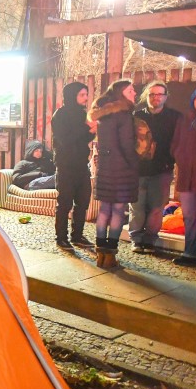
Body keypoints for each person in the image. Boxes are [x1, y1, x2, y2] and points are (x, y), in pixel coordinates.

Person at [87, 79, 138, 269]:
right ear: (121, 93)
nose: (134, 92)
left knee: (104, 210)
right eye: (130, 90)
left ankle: (100, 255)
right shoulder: (124, 114)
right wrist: (134, 164)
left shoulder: (103, 114)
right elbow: (126, 144)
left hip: (106, 167)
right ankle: (110, 256)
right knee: (117, 211)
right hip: (122, 169)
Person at [130, 81, 182, 253]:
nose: (156, 97)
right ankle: (136, 239)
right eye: (152, 94)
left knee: (157, 208)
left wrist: (172, 160)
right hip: (138, 170)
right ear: (147, 96)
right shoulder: (137, 116)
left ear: (165, 97)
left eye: (160, 94)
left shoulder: (174, 117)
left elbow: (179, 142)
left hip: (162, 169)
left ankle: (151, 239)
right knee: (137, 206)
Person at [52, 81, 96, 250]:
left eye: (86, 95)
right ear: (72, 96)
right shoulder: (61, 115)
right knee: (64, 203)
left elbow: (83, 139)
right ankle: (61, 237)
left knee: (83, 200)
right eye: (82, 95)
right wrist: (87, 131)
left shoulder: (81, 114)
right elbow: (65, 139)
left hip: (81, 164)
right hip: (66, 165)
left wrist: (90, 133)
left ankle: (77, 235)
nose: (85, 98)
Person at [170, 86, 196, 267]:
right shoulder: (185, 119)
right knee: (189, 216)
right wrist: (180, 157)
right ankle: (190, 252)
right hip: (187, 177)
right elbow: (175, 143)